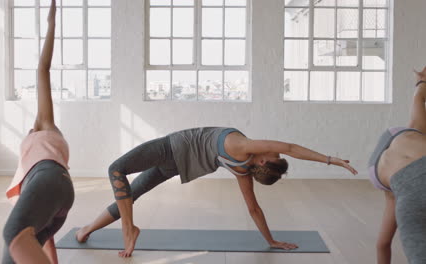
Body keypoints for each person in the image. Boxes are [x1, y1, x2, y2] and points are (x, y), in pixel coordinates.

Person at [76, 127, 358, 257]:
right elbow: (253, 209)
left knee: (116, 170)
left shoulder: (245, 146)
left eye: (272, 153)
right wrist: (271, 240)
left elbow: (291, 147)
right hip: (176, 166)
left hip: (171, 148)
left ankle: (129, 230)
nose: (273, 149)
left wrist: (331, 160)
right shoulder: (242, 169)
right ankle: (86, 230)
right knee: (128, 194)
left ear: (263, 160)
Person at [2, 1, 74, 263]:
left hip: (50, 179)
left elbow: (42, 69)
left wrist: (51, 24)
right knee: (23, 242)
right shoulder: (44, 142)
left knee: (13, 234)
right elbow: (47, 235)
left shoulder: (45, 124)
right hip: (59, 192)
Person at [369, 68, 426, 264]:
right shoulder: (412, 133)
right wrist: (420, 83)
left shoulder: (390, 191)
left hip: (406, 186)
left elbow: (383, 244)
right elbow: (419, 100)